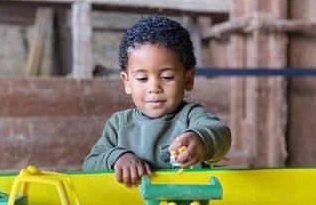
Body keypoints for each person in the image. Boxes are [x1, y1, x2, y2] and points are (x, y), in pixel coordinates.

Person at [83, 15, 231, 187]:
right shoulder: (118, 125)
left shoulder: (192, 117)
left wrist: (201, 140)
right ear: (127, 82)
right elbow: (89, 165)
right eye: (142, 78)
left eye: (166, 77)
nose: (154, 88)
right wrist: (117, 157)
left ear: (188, 79)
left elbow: (222, 136)